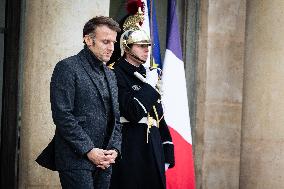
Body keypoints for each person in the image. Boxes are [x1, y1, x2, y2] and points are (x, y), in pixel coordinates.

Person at [36, 16, 122, 189]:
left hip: (105, 160)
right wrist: (89, 150)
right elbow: (63, 116)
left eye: (113, 42)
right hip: (75, 158)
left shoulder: (111, 75)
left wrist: (115, 149)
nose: (111, 47)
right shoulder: (67, 67)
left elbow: (116, 118)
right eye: (105, 41)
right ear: (88, 40)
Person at [109, 27, 175, 189]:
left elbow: (158, 117)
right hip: (130, 147)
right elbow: (132, 112)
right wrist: (150, 88)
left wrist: (167, 151)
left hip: (153, 148)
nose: (146, 49)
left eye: (147, 45)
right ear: (126, 48)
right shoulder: (114, 73)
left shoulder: (148, 75)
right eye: (140, 45)